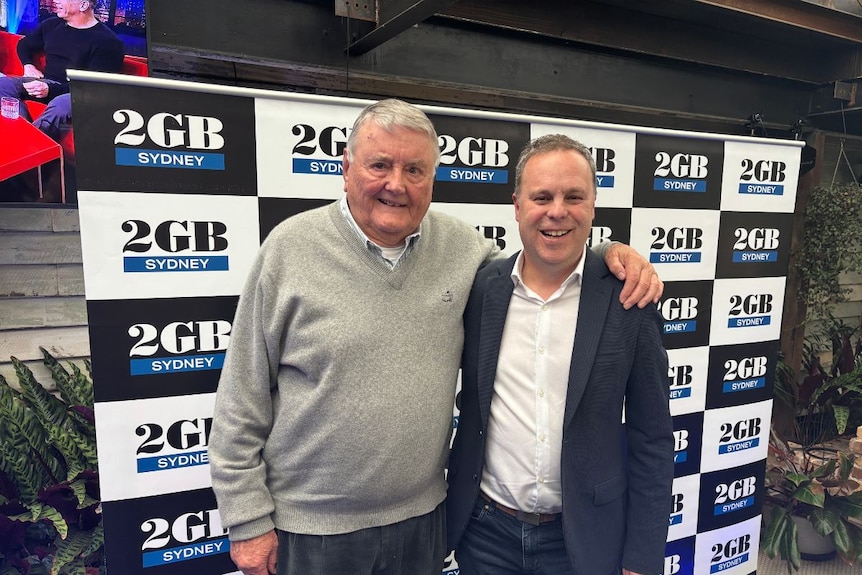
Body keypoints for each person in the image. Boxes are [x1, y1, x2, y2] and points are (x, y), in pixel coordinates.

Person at [208, 100, 664, 575]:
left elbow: (549, 254)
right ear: (345, 169)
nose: (396, 184)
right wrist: (246, 520)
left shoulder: (468, 256)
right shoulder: (289, 249)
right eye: (379, 165)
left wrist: (613, 253)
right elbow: (242, 395)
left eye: (415, 169)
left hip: (426, 525)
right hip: (314, 530)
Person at [446, 134, 674, 575]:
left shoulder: (630, 300)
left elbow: (653, 438)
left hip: (586, 542)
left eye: (574, 196)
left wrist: (643, 558)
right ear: (516, 206)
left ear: (592, 207)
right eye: (542, 196)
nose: (557, 211)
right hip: (485, 534)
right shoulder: (481, 290)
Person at [0, 0, 124, 141]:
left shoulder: (108, 42)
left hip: (80, 94)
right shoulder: (51, 25)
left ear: (83, 5)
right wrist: (28, 65)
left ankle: (28, 145)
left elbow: (92, 87)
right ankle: (20, 134)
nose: (55, 1)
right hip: (48, 84)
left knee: (61, 104)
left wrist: (50, 89)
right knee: (3, 85)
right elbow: (24, 44)